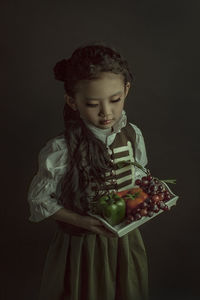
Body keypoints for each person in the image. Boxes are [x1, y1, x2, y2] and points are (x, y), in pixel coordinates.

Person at [27, 42, 149, 300]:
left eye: (115, 100)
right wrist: (82, 221)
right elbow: (39, 200)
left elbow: (138, 177)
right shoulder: (61, 149)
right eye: (93, 104)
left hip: (125, 241)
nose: (107, 112)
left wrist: (146, 199)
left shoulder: (132, 135)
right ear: (73, 101)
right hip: (81, 246)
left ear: (126, 90)